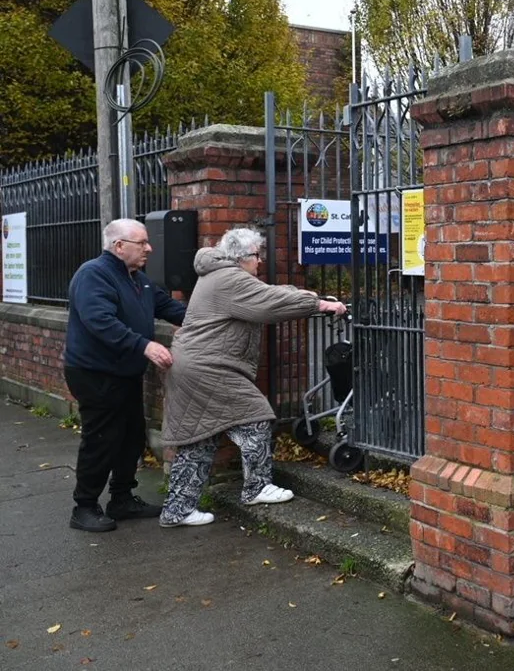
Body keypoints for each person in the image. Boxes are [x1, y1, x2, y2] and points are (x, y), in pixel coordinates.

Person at [159, 227, 346, 527]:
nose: (259, 262)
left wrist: (303, 294)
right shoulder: (229, 279)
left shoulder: (218, 275)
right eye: (257, 256)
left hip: (193, 365)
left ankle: (177, 509)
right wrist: (320, 304)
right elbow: (268, 303)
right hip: (209, 367)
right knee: (255, 418)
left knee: (200, 439)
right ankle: (257, 487)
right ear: (243, 257)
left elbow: (266, 294)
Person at [63, 218, 188, 532]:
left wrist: (215, 315)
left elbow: (174, 310)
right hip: (94, 373)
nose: (149, 247)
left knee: (131, 435)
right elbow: (100, 321)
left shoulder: (139, 280)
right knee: (102, 438)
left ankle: (122, 499)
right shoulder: (93, 274)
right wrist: (144, 346)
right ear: (119, 246)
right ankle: (85, 506)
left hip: (125, 373)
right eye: (142, 242)